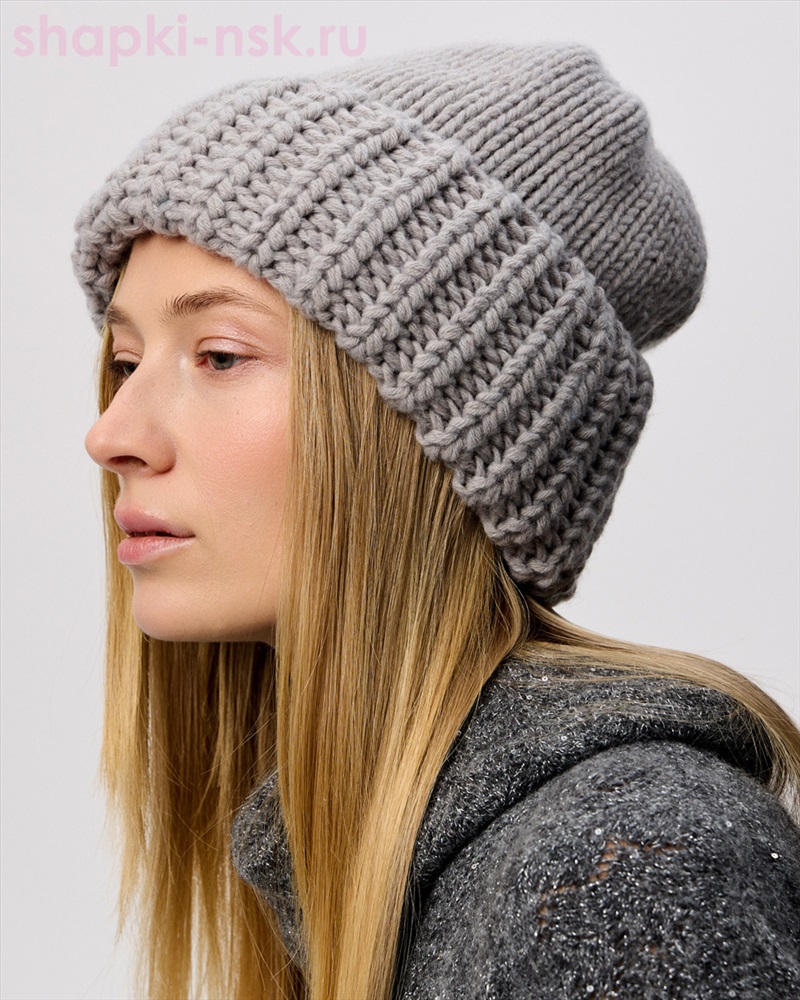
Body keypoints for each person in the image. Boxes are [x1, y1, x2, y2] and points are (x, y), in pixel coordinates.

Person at [73, 43, 800, 1000]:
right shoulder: (405, 865)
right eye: (127, 362)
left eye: (218, 355)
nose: (112, 435)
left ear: (429, 432)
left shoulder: (627, 875)